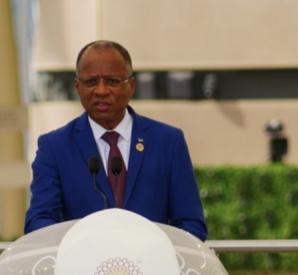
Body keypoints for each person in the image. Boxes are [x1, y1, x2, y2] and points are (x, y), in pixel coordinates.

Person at [24, 40, 208, 241]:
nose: (101, 91)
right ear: (77, 87)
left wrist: (157, 250)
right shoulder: (54, 147)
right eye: (91, 82)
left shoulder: (168, 142)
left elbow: (191, 224)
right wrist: (77, 245)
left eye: (112, 81)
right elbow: (39, 221)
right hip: (83, 259)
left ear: (131, 86)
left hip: (151, 259)